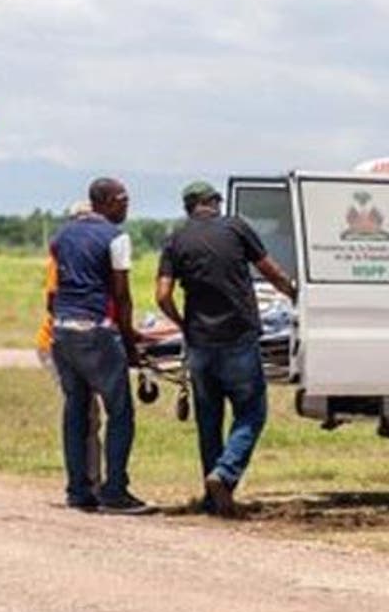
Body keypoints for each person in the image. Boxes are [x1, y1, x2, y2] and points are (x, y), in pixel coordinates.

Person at [155, 180, 296, 516]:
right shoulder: (235, 227)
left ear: (189, 207)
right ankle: (225, 474)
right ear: (213, 202)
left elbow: (162, 295)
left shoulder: (176, 238)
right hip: (239, 340)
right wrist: (293, 293)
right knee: (251, 412)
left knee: (209, 420)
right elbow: (270, 270)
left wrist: (183, 324)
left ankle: (212, 497)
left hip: (200, 343)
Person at [49, 177, 153, 515]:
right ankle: (115, 491)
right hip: (96, 331)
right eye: (122, 199)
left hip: (62, 331)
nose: (127, 205)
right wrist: (129, 341)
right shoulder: (116, 237)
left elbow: (57, 288)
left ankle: (78, 491)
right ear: (105, 201)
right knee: (120, 411)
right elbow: (122, 296)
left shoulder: (62, 235)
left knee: (75, 410)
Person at [36, 200, 103, 498]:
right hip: (60, 341)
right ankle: (84, 485)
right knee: (84, 411)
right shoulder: (61, 257)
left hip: (70, 337)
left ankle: (89, 482)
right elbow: (53, 300)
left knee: (88, 413)